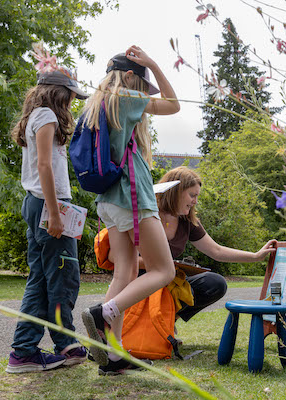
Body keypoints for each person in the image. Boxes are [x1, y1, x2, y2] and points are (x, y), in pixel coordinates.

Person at [80, 46, 180, 376]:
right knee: (163, 270)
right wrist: (152, 62)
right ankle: (103, 312)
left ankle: (113, 353)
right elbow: (173, 104)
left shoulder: (95, 103)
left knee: (124, 272)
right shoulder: (123, 96)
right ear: (128, 76)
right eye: (141, 84)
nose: (142, 95)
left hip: (108, 199)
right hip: (132, 196)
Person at [109, 166, 278, 327]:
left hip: (169, 279)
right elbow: (113, 256)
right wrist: (161, 264)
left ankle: (168, 320)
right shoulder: (145, 213)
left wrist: (255, 256)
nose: (195, 201)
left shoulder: (187, 220)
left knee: (215, 283)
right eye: (192, 195)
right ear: (175, 192)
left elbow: (216, 251)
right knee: (162, 275)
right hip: (140, 279)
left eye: (197, 196)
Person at [7, 61, 89, 373]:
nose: (71, 103)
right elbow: (44, 166)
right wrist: (55, 213)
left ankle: (25, 351)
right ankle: (65, 344)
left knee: (42, 279)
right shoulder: (45, 116)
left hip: (39, 204)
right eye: (70, 96)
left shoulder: (38, 116)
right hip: (46, 206)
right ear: (59, 94)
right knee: (63, 276)